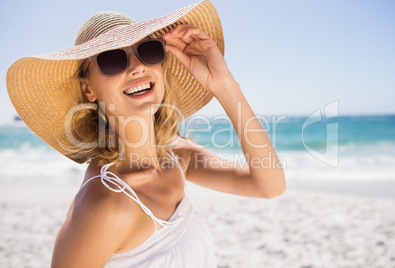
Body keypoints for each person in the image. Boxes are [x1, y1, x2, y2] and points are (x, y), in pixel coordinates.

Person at [6, 1, 285, 267]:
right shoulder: (103, 203)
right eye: (112, 59)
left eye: (148, 50)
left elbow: (269, 186)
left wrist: (224, 86)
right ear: (88, 89)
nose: (137, 66)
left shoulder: (176, 156)